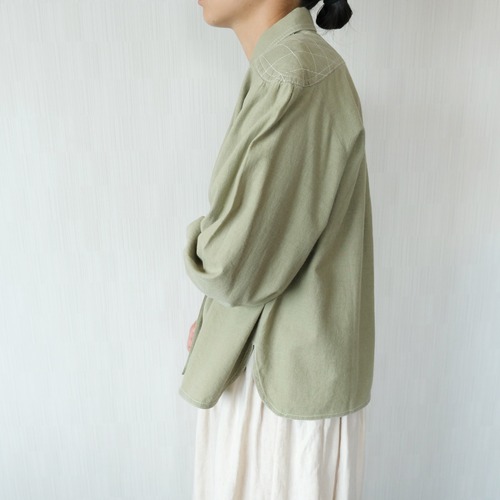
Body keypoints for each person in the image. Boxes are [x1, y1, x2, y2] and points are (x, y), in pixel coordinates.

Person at [180, 1, 375, 498]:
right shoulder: (288, 68)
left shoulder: (295, 74)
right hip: (271, 380)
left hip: (277, 404)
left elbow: (232, 262)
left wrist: (203, 246)